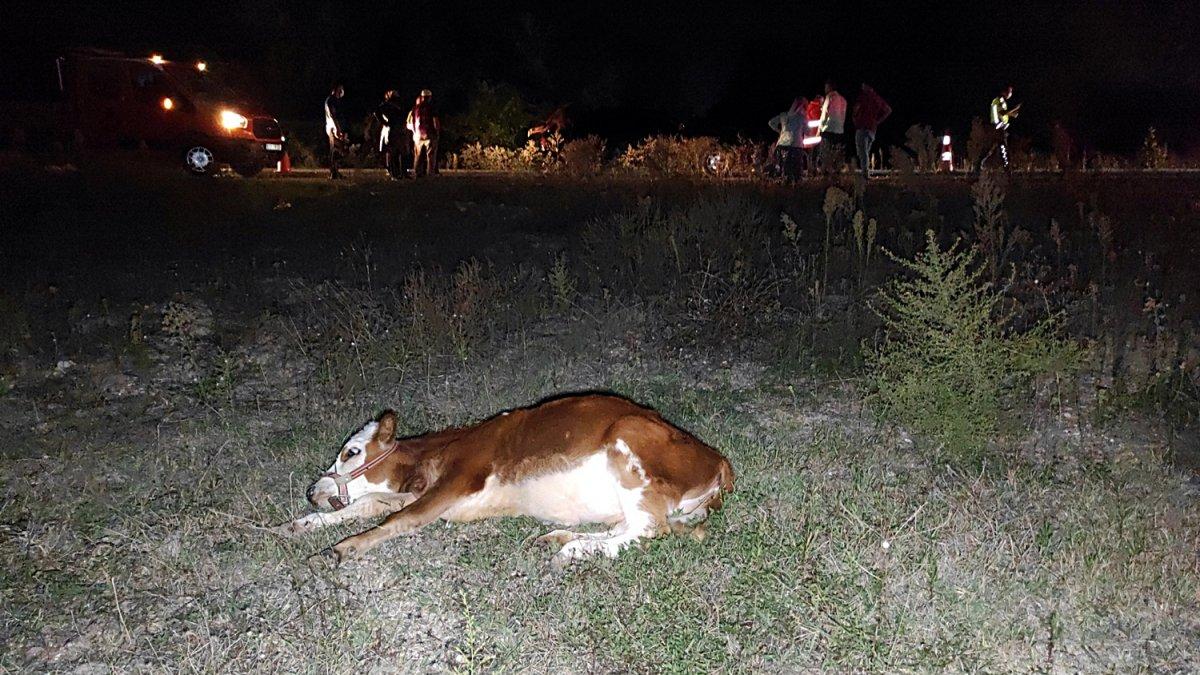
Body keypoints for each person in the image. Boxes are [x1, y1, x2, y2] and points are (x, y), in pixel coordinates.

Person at [852, 84, 891, 179]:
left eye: (863, 85)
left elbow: (856, 109)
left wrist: (854, 118)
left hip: (862, 127)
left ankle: (865, 174)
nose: (862, 86)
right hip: (872, 129)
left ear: (867, 86)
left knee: (862, 152)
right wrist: (877, 121)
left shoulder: (863, 97)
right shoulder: (877, 98)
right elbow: (888, 110)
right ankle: (865, 172)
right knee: (865, 151)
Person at [979, 85, 1019, 171]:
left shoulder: (999, 100)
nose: (1011, 94)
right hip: (997, 127)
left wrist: (1011, 114)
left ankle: (981, 164)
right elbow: (1002, 112)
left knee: (994, 147)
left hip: (997, 127)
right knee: (1002, 146)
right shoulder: (1000, 100)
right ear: (1004, 92)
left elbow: (1002, 113)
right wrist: (1013, 111)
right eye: (1010, 91)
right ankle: (1006, 166)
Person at [768, 97, 809, 180]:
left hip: (781, 145)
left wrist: (779, 131)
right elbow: (808, 132)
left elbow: (771, 122)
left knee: (782, 169)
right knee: (795, 172)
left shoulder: (783, 115)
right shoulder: (802, 118)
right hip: (796, 146)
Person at [407, 89, 441, 177]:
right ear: (429, 97)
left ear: (422, 97)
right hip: (429, 134)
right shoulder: (432, 107)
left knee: (417, 155)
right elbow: (435, 120)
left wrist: (414, 132)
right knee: (431, 155)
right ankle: (430, 173)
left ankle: (417, 172)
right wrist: (437, 132)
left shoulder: (415, 108)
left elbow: (412, 121)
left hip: (418, 135)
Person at [375, 89, 408, 179]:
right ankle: (395, 173)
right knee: (394, 152)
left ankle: (403, 172)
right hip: (393, 129)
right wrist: (385, 123)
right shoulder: (386, 105)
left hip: (400, 129)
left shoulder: (399, 105)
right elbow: (377, 112)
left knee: (402, 151)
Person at [819, 80, 847, 171]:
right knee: (836, 152)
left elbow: (824, 114)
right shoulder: (843, 100)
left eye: (826, 87)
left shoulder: (829, 97)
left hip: (828, 128)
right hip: (839, 130)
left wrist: (820, 127)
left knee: (826, 152)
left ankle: (826, 171)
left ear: (830, 87)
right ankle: (836, 171)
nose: (825, 89)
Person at [324, 84, 349, 180]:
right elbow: (333, 115)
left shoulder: (335, 100)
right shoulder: (331, 100)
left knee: (337, 149)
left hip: (335, 128)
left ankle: (335, 172)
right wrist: (337, 128)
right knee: (335, 150)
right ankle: (333, 173)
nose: (342, 91)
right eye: (340, 89)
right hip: (333, 128)